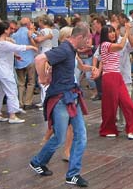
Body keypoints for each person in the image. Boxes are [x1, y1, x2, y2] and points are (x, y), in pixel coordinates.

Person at [30, 22, 92, 187]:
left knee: (81, 135)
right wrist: (42, 78)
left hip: (71, 96)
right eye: (86, 40)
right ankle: (37, 161)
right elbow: (39, 58)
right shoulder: (64, 49)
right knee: (59, 137)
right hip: (61, 99)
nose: (87, 43)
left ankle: (72, 174)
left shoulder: (70, 50)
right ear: (79, 37)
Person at [94, 24, 133, 138]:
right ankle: (108, 129)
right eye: (109, 32)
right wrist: (127, 32)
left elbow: (103, 61)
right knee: (110, 105)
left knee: (127, 103)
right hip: (109, 77)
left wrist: (98, 71)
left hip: (117, 76)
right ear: (105, 34)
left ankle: (131, 129)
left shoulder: (110, 45)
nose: (112, 33)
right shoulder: (105, 45)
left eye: (113, 31)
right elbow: (120, 46)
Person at [0, 21, 36, 124]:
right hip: (4, 70)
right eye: (9, 29)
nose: (12, 30)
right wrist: (32, 47)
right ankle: (12, 115)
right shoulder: (5, 43)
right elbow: (19, 47)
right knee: (11, 91)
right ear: (5, 30)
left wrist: (15, 55)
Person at [12, 18, 38, 110]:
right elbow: (36, 42)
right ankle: (28, 102)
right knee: (31, 82)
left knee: (21, 83)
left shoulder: (14, 35)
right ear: (28, 24)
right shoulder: (29, 33)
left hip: (19, 61)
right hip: (30, 59)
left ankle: (20, 102)